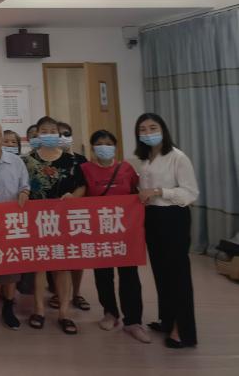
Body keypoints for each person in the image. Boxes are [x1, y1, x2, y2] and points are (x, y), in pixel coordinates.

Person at [73, 130, 150, 343]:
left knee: (129, 276)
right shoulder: (84, 169)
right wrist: (71, 198)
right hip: (99, 232)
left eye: (108, 143)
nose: (104, 147)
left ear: (115, 146)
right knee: (103, 274)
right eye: (99, 143)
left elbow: (137, 192)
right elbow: (81, 192)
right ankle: (110, 312)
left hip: (126, 233)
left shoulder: (126, 169)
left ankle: (133, 321)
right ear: (92, 147)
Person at [134, 113, 199, 349]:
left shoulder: (177, 157)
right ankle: (168, 320)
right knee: (161, 273)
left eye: (153, 128)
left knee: (177, 274)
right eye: (143, 129)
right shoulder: (145, 159)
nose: (148, 133)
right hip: (153, 218)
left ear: (163, 130)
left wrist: (160, 191)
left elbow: (190, 193)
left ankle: (182, 330)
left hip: (173, 217)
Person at [22, 115, 85, 335]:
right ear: (37, 134)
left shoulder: (72, 160)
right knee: (40, 266)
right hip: (37, 220)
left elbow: (82, 187)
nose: (48, 134)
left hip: (64, 220)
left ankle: (64, 313)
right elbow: (22, 186)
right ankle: (38, 310)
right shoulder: (27, 160)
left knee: (62, 266)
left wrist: (73, 196)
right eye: (44, 131)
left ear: (58, 134)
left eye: (52, 131)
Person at [0, 122, 29, 331]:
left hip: (10, 222)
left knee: (10, 266)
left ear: (2, 138)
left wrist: (24, 193)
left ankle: (8, 306)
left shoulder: (16, 162)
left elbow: (25, 186)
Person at [54, 121, 91, 313]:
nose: (62, 137)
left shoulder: (81, 160)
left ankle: (76, 293)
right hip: (52, 216)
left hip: (76, 215)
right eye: (58, 134)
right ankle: (58, 294)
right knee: (57, 257)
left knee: (77, 257)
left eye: (66, 134)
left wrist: (73, 197)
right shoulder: (50, 159)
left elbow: (85, 185)